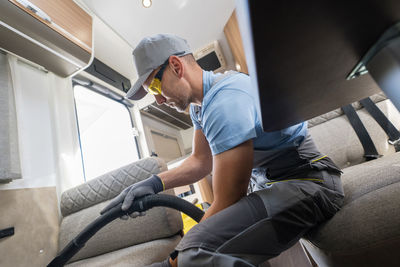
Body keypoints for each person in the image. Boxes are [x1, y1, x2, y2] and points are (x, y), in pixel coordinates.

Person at [100, 33, 344, 267]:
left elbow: (229, 198)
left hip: (310, 184)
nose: (159, 100)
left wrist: (173, 260)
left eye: (154, 87)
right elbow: (200, 162)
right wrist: (153, 183)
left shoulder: (225, 100)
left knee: (195, 253)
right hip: (275, 185)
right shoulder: (200, 107)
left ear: (176, 66)